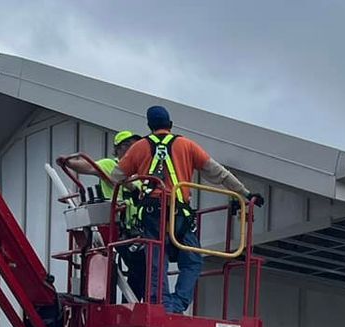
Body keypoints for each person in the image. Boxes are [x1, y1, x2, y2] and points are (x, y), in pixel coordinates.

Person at [111, 104, 263, 315]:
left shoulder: (139, 147)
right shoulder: (187, 145)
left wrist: (135, 189)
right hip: (180, 213)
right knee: (192, 261)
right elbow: (219, 173)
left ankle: (160, 303)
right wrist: (245, 193)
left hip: (152, 212)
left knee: (157, 259)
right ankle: (177, 303)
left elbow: (116, 176)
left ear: (149, 126)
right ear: (170, 124)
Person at [94, 130, 147, 299]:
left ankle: (131, 304)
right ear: (117, 149)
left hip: (137, 230)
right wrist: (70, 162)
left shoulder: (140, 174)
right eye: (127, 145)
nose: (132, 149)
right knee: (140, 266)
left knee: (143, 268)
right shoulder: (111, 165)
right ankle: (130, 305)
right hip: (118, 229)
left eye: (134, 145)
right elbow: (88, 166)